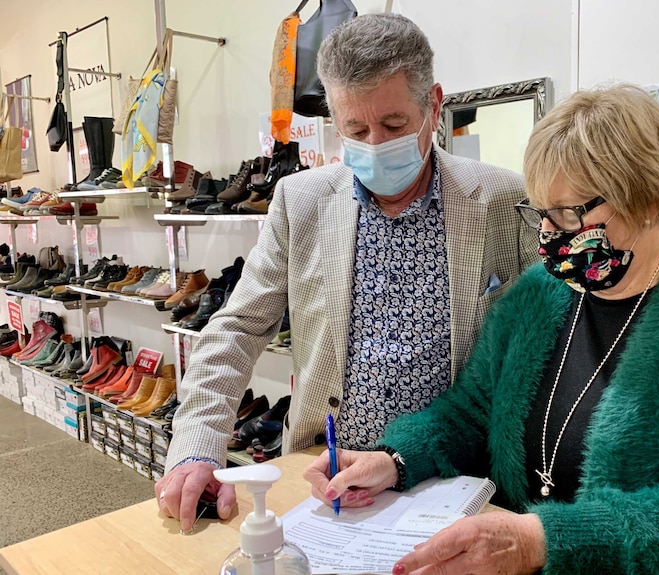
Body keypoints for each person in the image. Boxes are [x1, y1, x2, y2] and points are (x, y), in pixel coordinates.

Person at [304, 85, 659, 575]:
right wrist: (394, 460)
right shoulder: (540, 293)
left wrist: (542, 540)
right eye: (541, 212)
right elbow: (474, 412)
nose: (546, 234)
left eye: (568, 214)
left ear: (644, 200)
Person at [156, 13, 537, 533]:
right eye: (355, 129)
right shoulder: (301, 200)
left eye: (395, 125)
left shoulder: (502, 200)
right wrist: (196, 446)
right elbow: (238, 328)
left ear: (434, 104)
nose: (376, 144)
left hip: (457, 480)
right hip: (324, 473)